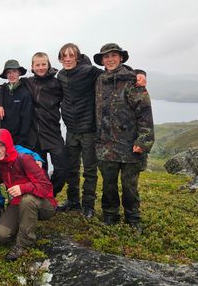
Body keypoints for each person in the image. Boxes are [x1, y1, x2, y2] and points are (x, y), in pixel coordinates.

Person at [56, 43, 148, 218]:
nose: (67, 59)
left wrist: (139, 72)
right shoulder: (60, 76)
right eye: (64, 56)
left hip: (90, 129)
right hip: (71, 130)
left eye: (71, 55)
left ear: (77, 56)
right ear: (60, 59)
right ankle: (73, 200)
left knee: (90, 169)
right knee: (72, 168)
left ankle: (88, 205)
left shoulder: (92, 72)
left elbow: (118, 73)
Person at [94, 43, 154, 232]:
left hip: (130, 145)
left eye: (113, 56)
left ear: (121, 58)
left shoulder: (132, 81)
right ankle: (110, 215)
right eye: (106, 57)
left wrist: (143, 141)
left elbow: (145, 112)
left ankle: (133, 218)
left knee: (129, 186)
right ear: (102, 61)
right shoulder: (100, 80)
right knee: (108, 184)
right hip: (105, 145)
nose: (110, 59)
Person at [0, 52, 66, 197]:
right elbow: (6, 87)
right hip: (34, 135)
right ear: (32, 67)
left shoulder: (57, 83)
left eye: (43, 64)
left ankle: (51, 192)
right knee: (40, 170)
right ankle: (46, 198)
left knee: (61, 168)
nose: (40, 67)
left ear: (48, 65)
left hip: (52, 132)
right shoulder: (27, 82)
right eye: (37, 65)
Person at [0, 129, 56, 261]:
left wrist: (23, 188)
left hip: (44, 204)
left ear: (8, 145)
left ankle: (24, 244)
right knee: (3, 235)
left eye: (2, 146)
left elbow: (46, 186)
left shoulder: (24, 158)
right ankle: (25, 224)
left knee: (27, 200)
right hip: (17, 203)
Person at [0, 59, 33, 148]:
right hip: (3, 139)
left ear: (19, 73)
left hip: (19, 141)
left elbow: (26, 120)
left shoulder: (25, 93)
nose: (12, 75)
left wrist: (21, 142)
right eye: (9, 72)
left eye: (15, 71)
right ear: (6, 75)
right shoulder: (2, 90)